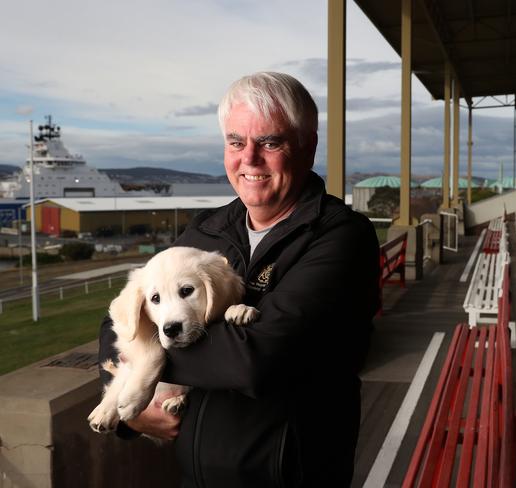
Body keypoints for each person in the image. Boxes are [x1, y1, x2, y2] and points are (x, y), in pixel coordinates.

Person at [98, 71, 380, 487]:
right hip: (195, 475)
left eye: (270, 142)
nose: (249, 159)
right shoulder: (207, 230)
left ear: (308, 145)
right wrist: (133, 410)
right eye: (236, 142)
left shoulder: (340, 237)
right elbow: (118, 320)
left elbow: (255, 359)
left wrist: (148, 364)